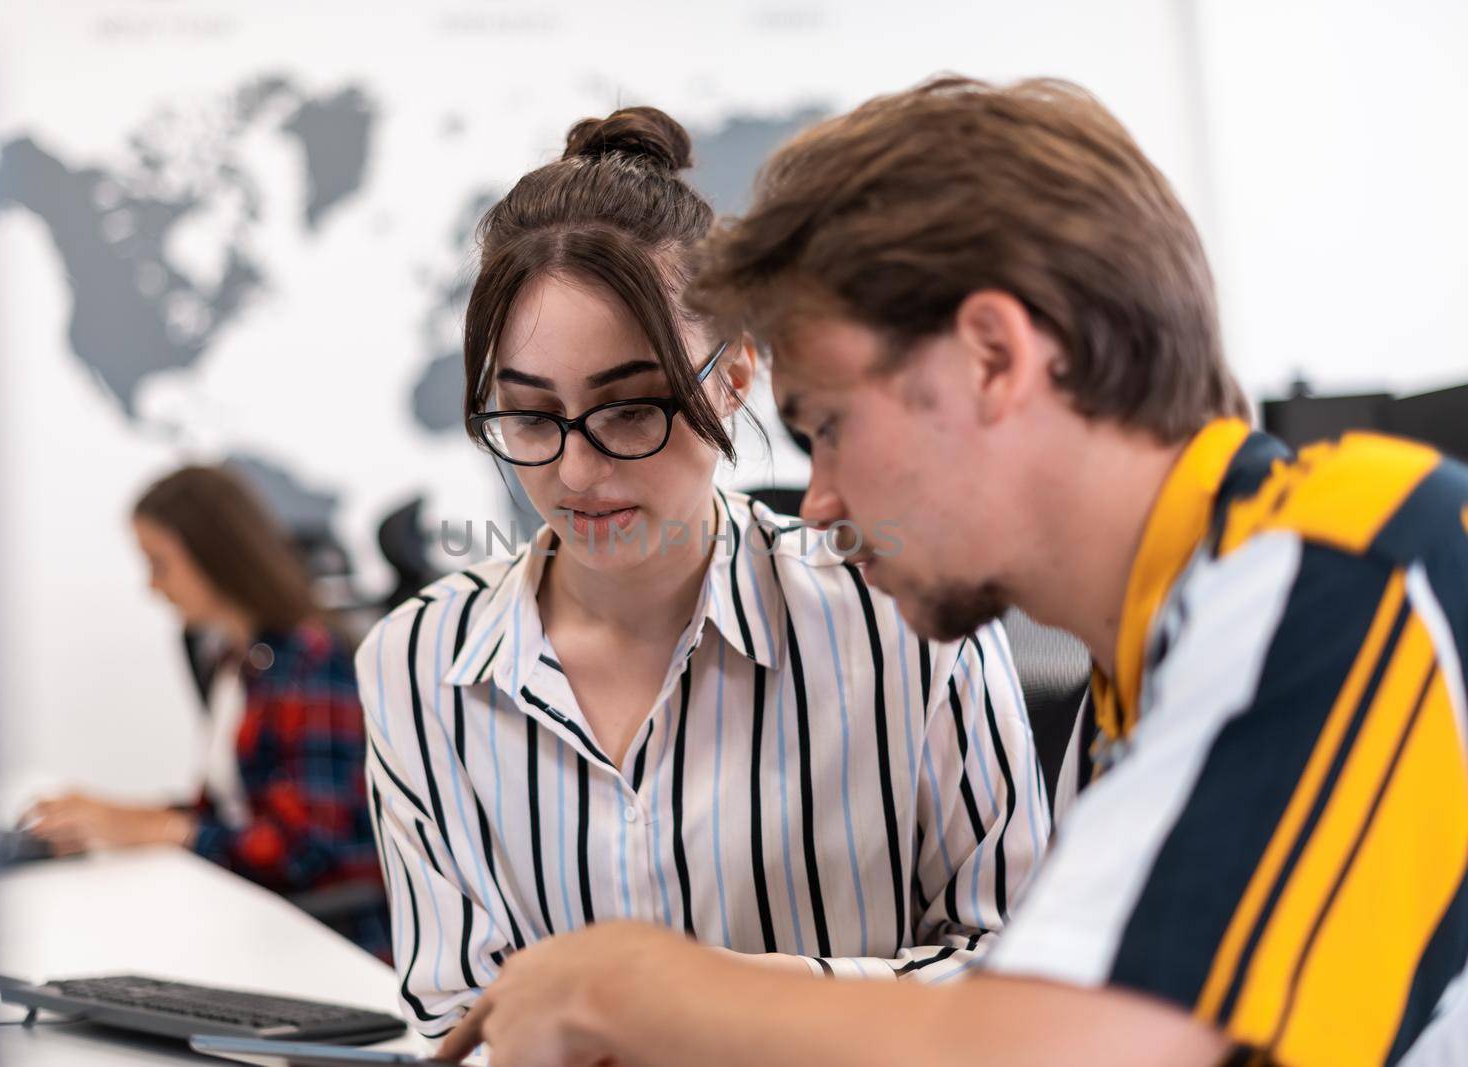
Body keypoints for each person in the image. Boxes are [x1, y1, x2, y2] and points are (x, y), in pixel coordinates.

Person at [434, 77, 1468, 1067]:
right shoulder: (1141, 686)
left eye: (828, 426)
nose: (822, 498)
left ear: (990, 356)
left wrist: (621, 983)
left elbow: (1053, 1050)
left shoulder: (1347, 560)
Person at [357, 106, 1048, 1038]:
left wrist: (694, 1004)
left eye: (632, 407)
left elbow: (1027, 977)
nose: (573, 472)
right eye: (527, 417)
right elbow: (454, 1020)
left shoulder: (904, 617)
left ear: (735, 374)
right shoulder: (417, 663)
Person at [26, 465, 390, 960]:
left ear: (214, 557)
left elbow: (308, 848)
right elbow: (231, 812)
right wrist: (113, 815)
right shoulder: (235, 659)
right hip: (262, 916)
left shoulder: (310, 662)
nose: (152, 587)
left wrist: (160, 830)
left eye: (159, 564)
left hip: (328, 942)